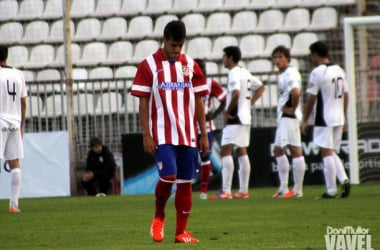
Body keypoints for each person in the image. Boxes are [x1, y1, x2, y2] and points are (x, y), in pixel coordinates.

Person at [131, 20, 209, 243]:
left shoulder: (190, 65)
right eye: (174, 45)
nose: (177, 50)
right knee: (168, 176)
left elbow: (198, 100)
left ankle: (180, 233)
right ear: (164, 39)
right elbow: (143, 102)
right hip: (162, 134)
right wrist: (146, 135)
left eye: (181, 46)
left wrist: (204, 134)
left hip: (188, 134)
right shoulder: (148, 65)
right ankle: (159, 216)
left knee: (185, 183)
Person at [210, 46, 265, 199]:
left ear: (230, 58)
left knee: (225, 151)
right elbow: (261, 87)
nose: (223, 59)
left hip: (236, 117)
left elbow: (236, 93)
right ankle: (243, 191)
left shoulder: (234, 72)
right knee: (241, 151)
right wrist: (250, 103)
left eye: (224, 56)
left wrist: (228, 111)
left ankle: (226, 191)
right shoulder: (245, 72)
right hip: (245, 117)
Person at [301, 41, 351, 199]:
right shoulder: (339, 69)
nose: (310, 57)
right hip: (338, 116)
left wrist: (305, 120)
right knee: (331, 151)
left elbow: (311, 98)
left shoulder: (318, 72)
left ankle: (331, 190)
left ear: (315, 54)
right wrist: (344, 116)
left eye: (311, 54)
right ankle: (344, 179)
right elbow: (346, 94)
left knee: (326, 152)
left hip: (324, 117)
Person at [271, 46, 306, 198]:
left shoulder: (291, 73)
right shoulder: (284, 74)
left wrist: (291, 108)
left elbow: (296, 92)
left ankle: (294, 189)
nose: (277, 60)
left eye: (280, 57)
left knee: (284, 150)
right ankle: (287, 188)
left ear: (287, 58)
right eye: (275, 57)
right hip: (287, 118)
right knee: (287, 150)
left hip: (289, 118)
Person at [194, 58, 227, 200]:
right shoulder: (187, 83)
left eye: (203, 67)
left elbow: (224, 99)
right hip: (188, 127)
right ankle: (182, 189)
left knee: (205, 157)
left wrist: (213, 114)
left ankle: (203, 191)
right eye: (199, 67)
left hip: (206, 127)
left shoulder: (210, 83)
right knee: (186, 157)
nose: (203, 70)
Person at [0, 45, 27, 213]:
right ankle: (13, 205)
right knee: (15, 164)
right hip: (14, 123)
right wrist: (22, 124)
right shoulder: (18, 74)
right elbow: (23, 102)